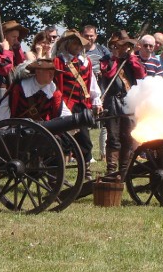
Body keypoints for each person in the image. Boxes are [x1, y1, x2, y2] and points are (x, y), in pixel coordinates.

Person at [54, 29, 101, 169]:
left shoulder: (85, 62)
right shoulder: (59, 61)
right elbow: (56, 85)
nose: (78, 47)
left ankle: (85, 168)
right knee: (64, 139)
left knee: (85, 140)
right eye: (75, 44)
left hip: (82, 105)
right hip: (66, 105)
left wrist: (96, 100)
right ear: (67, 44)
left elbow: (92, 83)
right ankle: (60, 168)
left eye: (80, 44)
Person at [99, 30, 145, 176]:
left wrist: (130, 57)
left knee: (129, 137)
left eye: (126, 45)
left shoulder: (131, 60)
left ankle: (124, 171)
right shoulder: (107, 60)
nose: (124, 48)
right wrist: (115, 57)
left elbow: (141, 74)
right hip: (112, 102)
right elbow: (109, 73)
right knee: (113, 138)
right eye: (121, 45)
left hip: (128, 100)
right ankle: (111, 170)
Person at [0, 58, 71, 122]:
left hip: (42, 132)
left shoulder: (52, 89)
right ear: (37, 72)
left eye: (53, 72)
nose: (52, 75)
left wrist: (70, 122)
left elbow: (62, 111)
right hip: (18, 131)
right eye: (48, 72)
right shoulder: (19, 87)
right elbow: (4, 109)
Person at [83, 25, 110, 160]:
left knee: (104, 121)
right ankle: (86, 155)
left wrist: (103, 72)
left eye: (91, 35)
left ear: (96, 36)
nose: (89, 38)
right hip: (84, 89)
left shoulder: (102, 50)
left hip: (101, 88)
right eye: (86, 35)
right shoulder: (80, 50)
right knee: (85, 121)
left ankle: (103, 153)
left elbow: (110, 64)